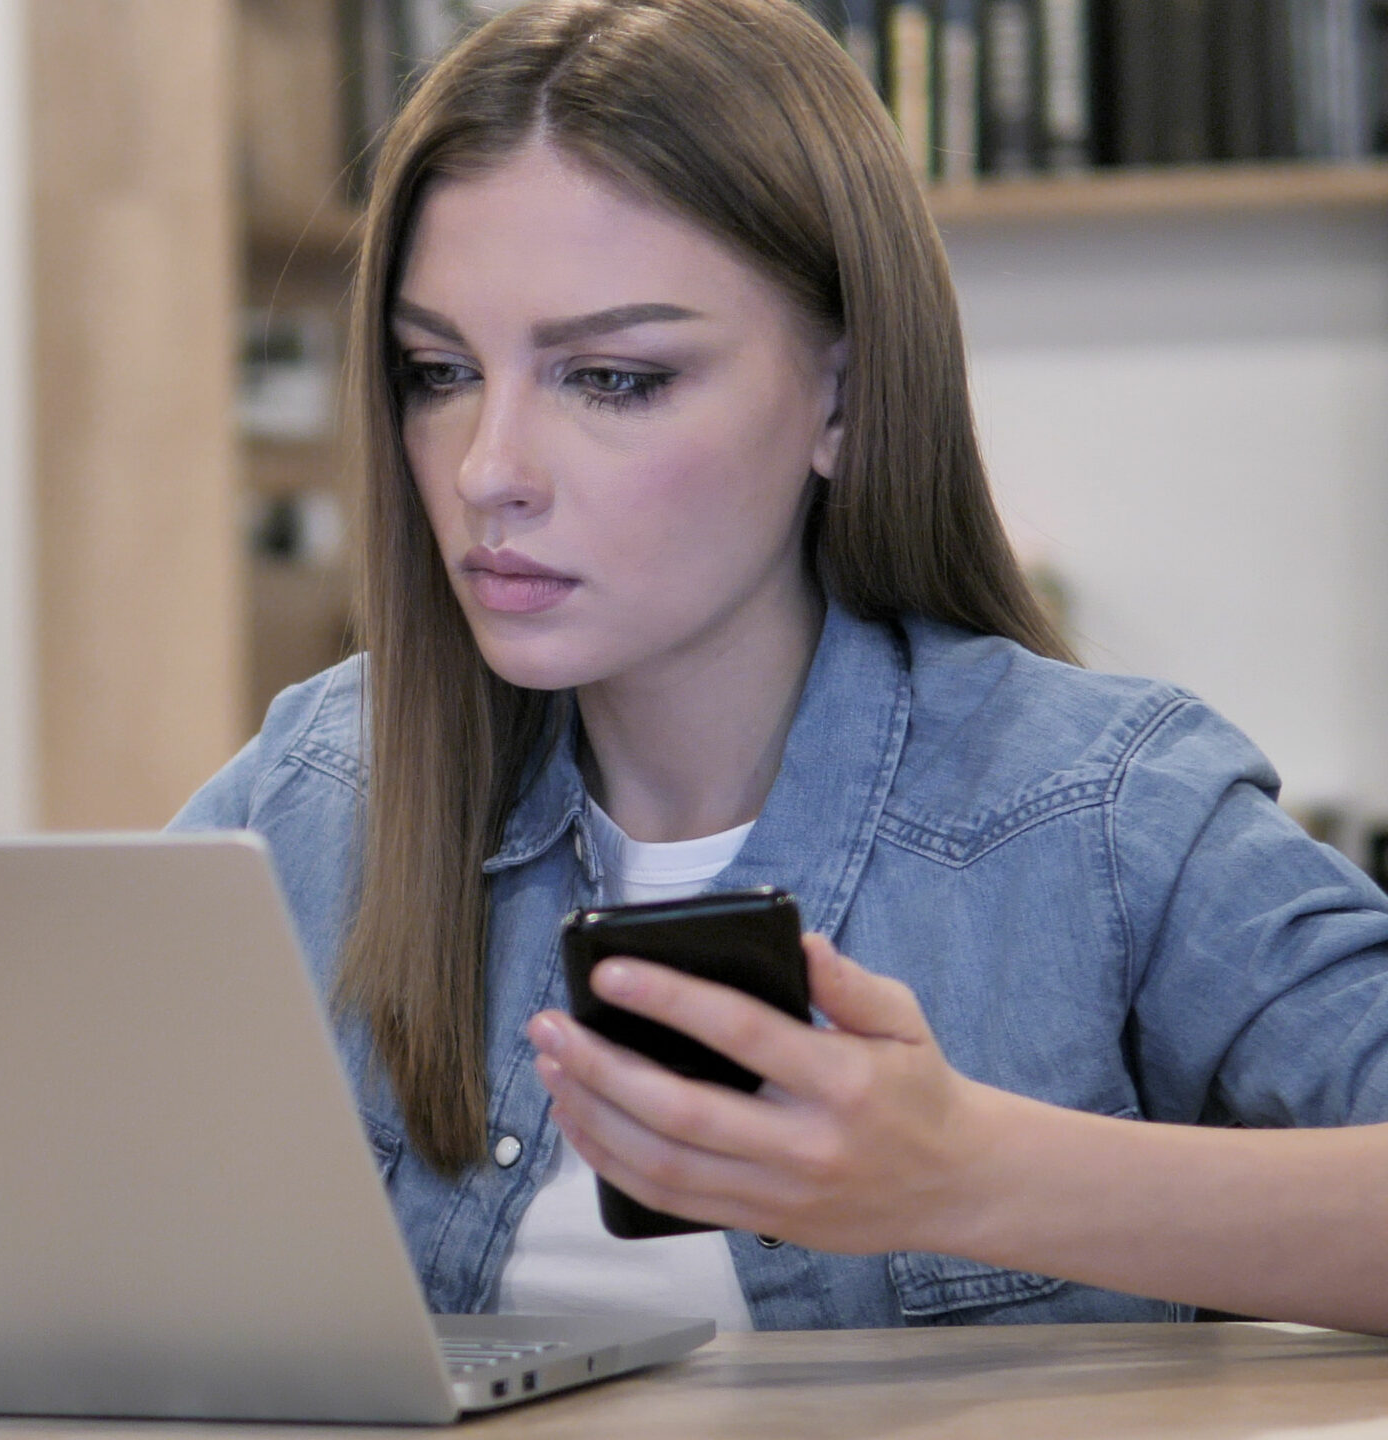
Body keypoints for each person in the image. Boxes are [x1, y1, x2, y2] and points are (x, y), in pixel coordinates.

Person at [174, 0, 1388, 1334]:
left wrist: (978, 1177)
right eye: (437, 369)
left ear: (843, 399)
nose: (488, 470)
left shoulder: (1101, 809)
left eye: (615, 379)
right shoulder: (313, 792)